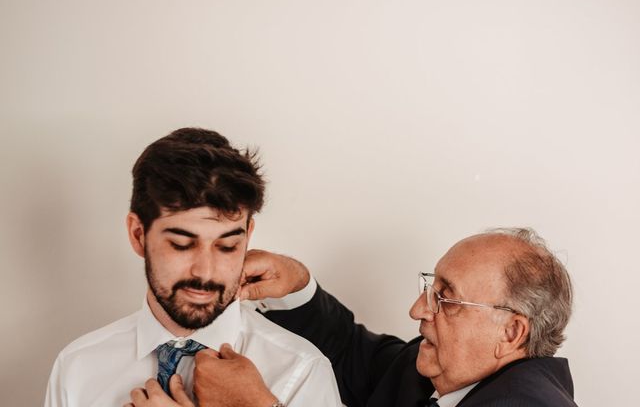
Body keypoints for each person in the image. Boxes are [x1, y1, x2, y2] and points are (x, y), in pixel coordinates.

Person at [44, 128, 341, 407]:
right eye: (181, 245)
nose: (205, 272)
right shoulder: (77, 366)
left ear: (247, 236)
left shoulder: (301, 372)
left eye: (227, 246)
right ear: (138, 235)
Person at [181, 227, 578, 406]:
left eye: (448, 299)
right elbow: (353, 352)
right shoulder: (434, 373)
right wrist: (297, 286)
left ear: (511, 332)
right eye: (430, 289)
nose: (418, 309)